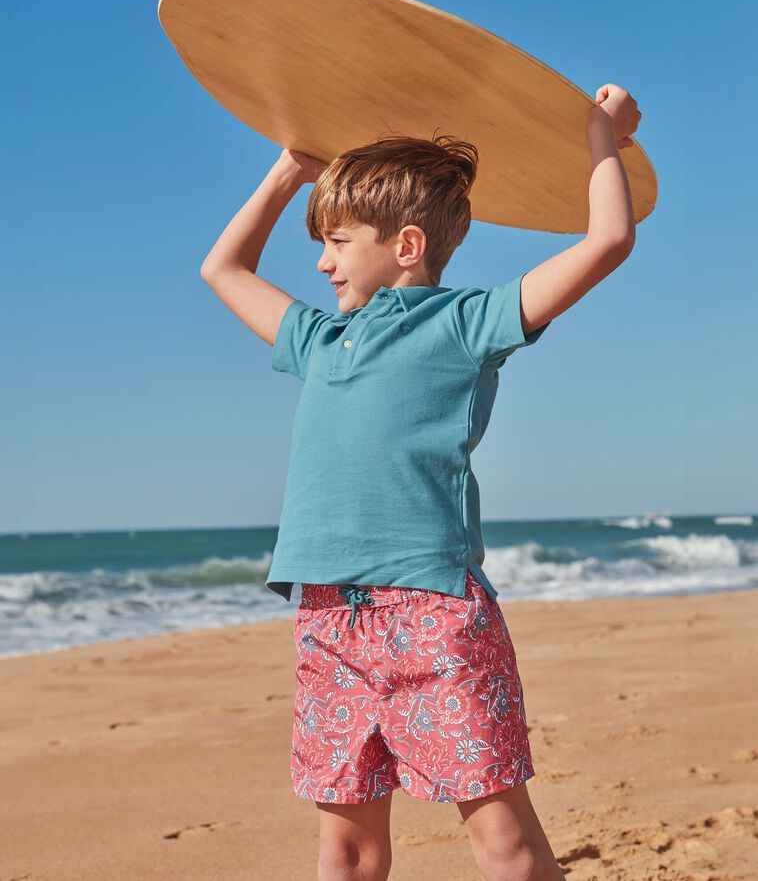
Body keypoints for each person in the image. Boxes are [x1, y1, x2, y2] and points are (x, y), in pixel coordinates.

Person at [200, 82, 642, 881]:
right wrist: (287, 172)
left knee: (503, 842)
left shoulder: (467, 322)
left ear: (406, 245)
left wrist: (600, 135)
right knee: (346, 848)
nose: (321, 261)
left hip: (435, 614)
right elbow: (222, 267)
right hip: (328, 619)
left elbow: (608, 239)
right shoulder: (318, 337)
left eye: (336, 240)